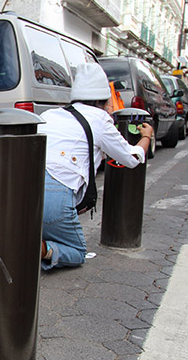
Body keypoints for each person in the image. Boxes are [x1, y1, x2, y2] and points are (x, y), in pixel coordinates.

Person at [38, 62, 153, 270]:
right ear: (103, 99)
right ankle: (42, 248)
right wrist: (146, 137)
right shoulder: (100, 119)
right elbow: (131, 158)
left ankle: (28, 243)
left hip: (25, 191)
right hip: (55, 198)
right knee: (78, 252)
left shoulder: (49, 115)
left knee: (47, 224)